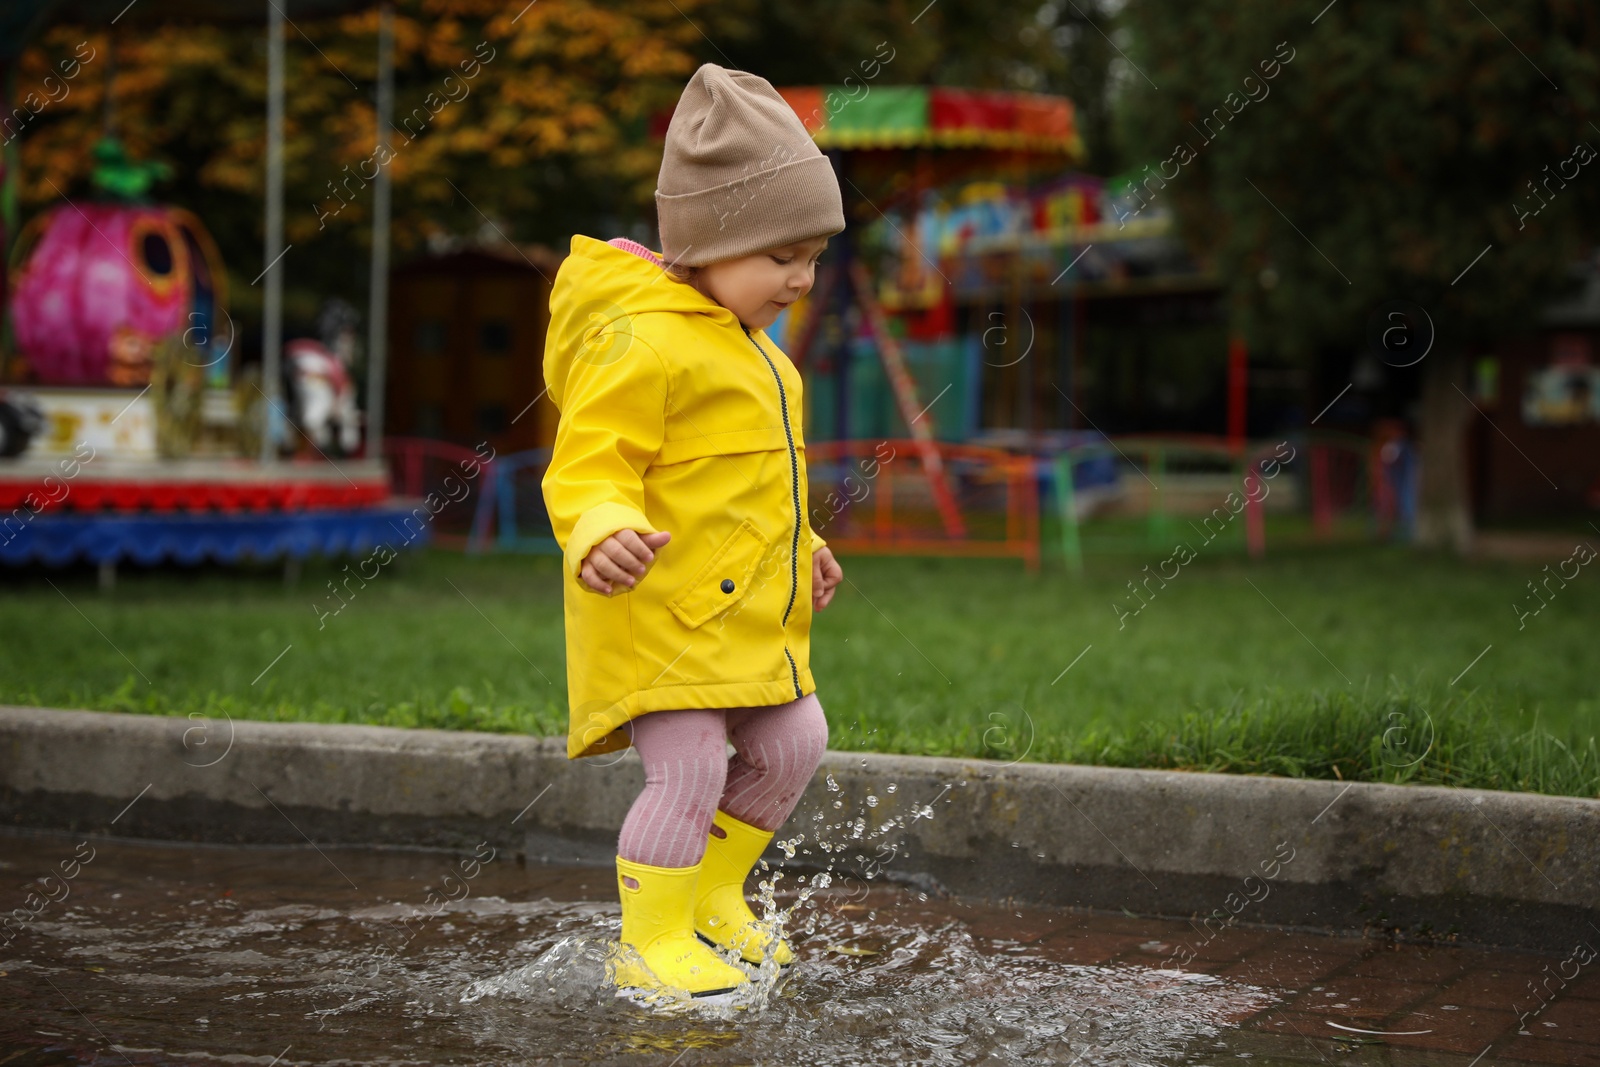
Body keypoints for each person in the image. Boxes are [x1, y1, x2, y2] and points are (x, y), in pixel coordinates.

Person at [541, 62, 847, 1002]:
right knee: (691, 767)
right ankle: (649, 939)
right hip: (657, 610)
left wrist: (807, 547)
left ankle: (714, 894)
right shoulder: (644, 341)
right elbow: (589, 462)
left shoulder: (765, 356)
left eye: (812, 258)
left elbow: (761, 486)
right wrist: (601, 528)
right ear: (709, 243)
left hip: (745, 614)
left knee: (798, 738)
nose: (799, 278)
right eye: (779, 257)